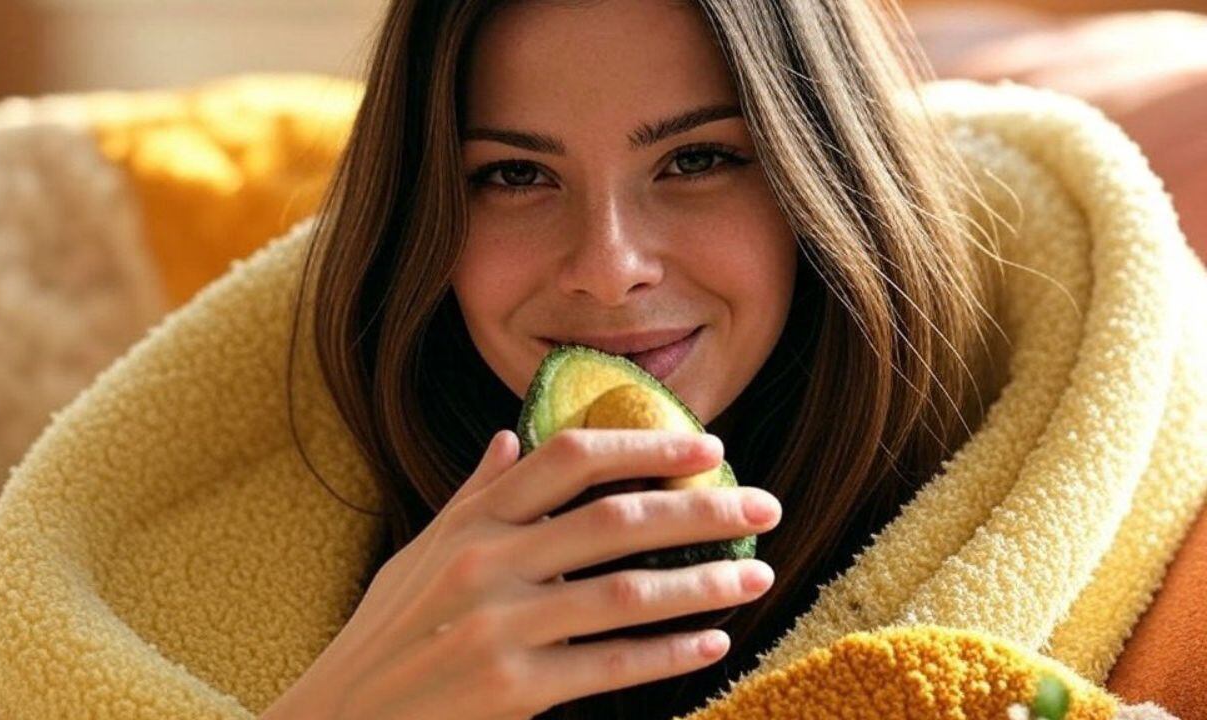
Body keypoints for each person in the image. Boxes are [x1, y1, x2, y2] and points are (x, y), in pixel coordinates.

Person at [261, 0, 1005, 717]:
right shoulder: (246, 488)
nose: (610, 268)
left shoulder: (1029, 492)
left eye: (697, 159)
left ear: (828, 174)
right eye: (516, 174)